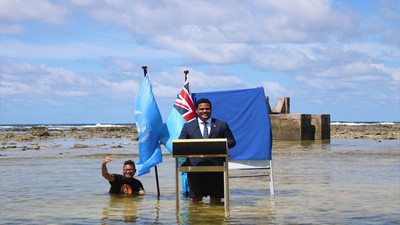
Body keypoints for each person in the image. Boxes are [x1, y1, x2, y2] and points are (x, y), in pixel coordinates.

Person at [179, 98, 236, 203]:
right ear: (196, 110)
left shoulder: (221, 125)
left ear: (211, 110)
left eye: (207, 109)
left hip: (216, 168)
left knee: (216, 201)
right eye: (201, 109)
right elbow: (180, 143)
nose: (204, 111)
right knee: (195, 201)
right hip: (194, 168)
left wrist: (218, 146)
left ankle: (214, 219)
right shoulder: (188, 126)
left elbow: (232, 142)